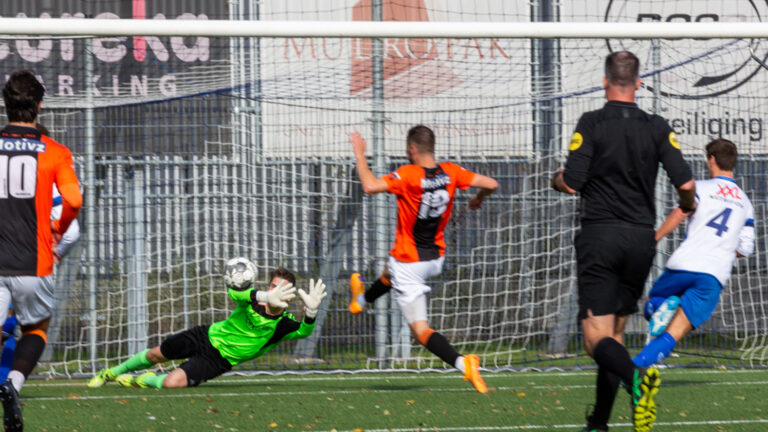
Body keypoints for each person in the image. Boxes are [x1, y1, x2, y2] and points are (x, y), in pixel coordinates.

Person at [550, 52, 696, 432]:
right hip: (640, 240)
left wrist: (557, 177)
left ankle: (637, 380)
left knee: (593, 337)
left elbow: (573, 182)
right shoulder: (658, 126)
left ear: (604, 82)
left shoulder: (591, 122)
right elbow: (686, 186)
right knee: (614, 334)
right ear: (639, 82)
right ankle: (598, 423)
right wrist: (686, 207)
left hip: (601, 236)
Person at [348, 126, 498, 393]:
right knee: (389, 271)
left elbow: (370, 186)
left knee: (421, 331)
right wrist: (478, 198)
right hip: (435, 258)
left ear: (412, 149)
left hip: (410, 263)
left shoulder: (408, 174)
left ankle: (464, 364)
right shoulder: (451, 171)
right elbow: (492, 184)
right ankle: (360, 300)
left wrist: (360, 154)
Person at [0, 70, 83, 432]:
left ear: (5, 105)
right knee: (36, 326)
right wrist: (57, 228)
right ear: (39, 106)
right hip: (35, 260)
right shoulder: (55, 151)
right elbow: (74, 200)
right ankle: (12, 385)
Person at [87, 266, 326, 389]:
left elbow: (304, 331)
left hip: (218, 361)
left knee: (170, 383)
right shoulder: (254, 298)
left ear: (290, 295)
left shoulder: (283, 325)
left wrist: (312, 312)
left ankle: (143, 380)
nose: (275, 290)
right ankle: (110, 373)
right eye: (273, 285)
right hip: (205, 336)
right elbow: (236, 292)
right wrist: (263, 294)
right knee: (155, 353)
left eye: (281, 288)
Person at [633, 139, 754, 368]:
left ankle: (664, 305)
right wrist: (724, 246)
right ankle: (636, 367)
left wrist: (655, 238)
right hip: (714, 273)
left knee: (650, 305)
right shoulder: (745, 203)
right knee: (674, 333)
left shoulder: (701, 189)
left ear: (712, 160)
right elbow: (746, 249)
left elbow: (681, 213)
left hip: (685, 263)